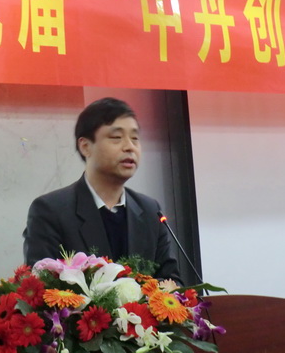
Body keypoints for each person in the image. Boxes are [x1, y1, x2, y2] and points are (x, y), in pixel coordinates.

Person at [22, 97, 181, 282]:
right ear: (85, 146)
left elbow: (172, 282)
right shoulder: (51, 211)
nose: (129, 147)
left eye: (135, 138)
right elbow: (43, 286)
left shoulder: (150, 211)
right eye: (116, 138)